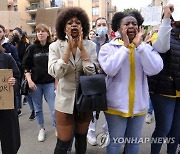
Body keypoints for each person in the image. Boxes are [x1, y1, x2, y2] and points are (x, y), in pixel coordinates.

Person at [98, 11, 163, 154]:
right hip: (115, 106)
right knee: (115, 144)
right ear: (119, 28)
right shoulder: (109, 48)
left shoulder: (145, 48)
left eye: (134, 23)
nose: (131, 26)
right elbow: (110, 69)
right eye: (126, 24)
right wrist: (126, 48)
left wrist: (139, 47)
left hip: (139, 106)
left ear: (139, 28)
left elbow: (155, 69)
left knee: (133, 145)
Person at [48, 7, 98, 154]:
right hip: (64, 98)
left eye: (78, 22)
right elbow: (54, 72)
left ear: (83, 27)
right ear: (64, 27)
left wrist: (82, 50)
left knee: (81, 139)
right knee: (63, 142)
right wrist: (67, 51)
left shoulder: (91, 45)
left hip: (86, 97)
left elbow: (92, 72)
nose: (74, 25)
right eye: (70, 22)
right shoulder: (55, 46)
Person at [148, 4, 180, 154]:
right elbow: (161, 47)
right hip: (163, 91)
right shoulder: (159, 35)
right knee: (163, 129)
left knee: (176, 130)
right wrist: (166, 16)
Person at [22, 23, 56, 142]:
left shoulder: (52, 47)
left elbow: (57, 65)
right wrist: (29, 80)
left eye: (43, 31)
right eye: (38, 31)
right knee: (38, 109)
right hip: (35, 83)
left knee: (54, 108)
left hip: (50, 83)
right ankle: (41, 128)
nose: (40, 33)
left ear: (48, 33)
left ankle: (57, 127)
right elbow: (25, 66)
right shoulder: (31, 48)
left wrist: (56, 82)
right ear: (36, 34)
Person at [87, 17, 110, 146]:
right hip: (94, 79)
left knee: (108, 106)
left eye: (103, 24)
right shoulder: (91, 44)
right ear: (95, 28)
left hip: (109, 79)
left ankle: (106, 131)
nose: (101, 27)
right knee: (94, 108)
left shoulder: (112, 42)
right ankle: (90, 132)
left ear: (108, 26)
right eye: (99, 25)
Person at [0, 45, 21, 154]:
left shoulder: (6, 58)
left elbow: (17, 76)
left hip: (6, 107)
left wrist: (14, 82)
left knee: (9, 140)